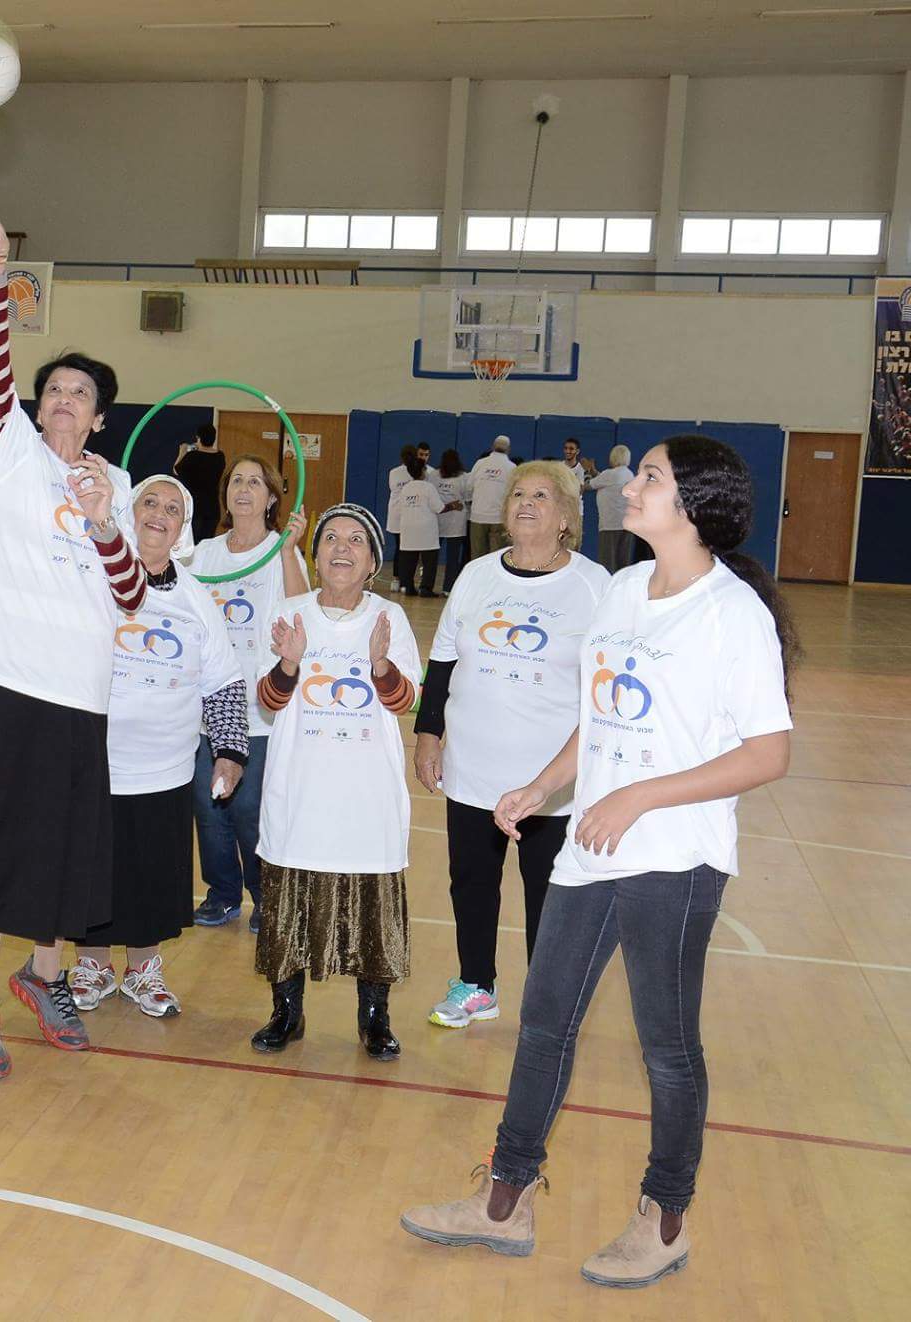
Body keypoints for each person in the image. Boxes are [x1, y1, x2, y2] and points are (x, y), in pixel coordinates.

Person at [401, 436, 796, 1290]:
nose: (630, 486)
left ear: (692, 503)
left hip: (675, 859)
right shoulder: (621, 589)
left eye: (650, 477)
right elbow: (601, 717)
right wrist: (541, 786)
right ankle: (504, 1203)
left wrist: (641, 796)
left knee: (667, 1048)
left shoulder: (733, 614)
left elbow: (769, 753)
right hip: (590, 846)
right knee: (545, 1024)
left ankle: (665, 1217)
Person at [0, 183, 147, 1081]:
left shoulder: (119, 486)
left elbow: (132, 595)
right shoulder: (14, 449)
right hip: (2, 678)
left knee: (65, 851)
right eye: (54, 390)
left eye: (80, 393)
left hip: (79, 693)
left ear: (101, 416)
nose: (64, 400)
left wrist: (106, 524)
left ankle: (46, 975)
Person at [413, 461, 610, 1031]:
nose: (525, 502)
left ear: (567, 517)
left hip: (551, 781)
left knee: (548, 894)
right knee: (471, 883)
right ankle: (476, 985)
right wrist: (427, 734)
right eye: (518, 493)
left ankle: (546, 1003)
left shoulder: (595, 585)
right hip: (472, 768)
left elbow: (605, 684)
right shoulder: (476, 575)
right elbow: (442, 660)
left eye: (542, 495)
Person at [68, 476, 247, 1017]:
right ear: (129, 512)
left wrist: (229, 752)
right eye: (150, 502)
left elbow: (223, 680)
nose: (159, 514)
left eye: (172, 508)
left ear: (181, 529)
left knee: (151, 871)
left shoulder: (195, 598)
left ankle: (144, 971)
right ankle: (92, 964)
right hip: (93, 761)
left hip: (165, 768)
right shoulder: (90, 576)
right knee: (91, 868)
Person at [250, 503, 420, 1062]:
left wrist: (380, 667)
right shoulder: (290, 613)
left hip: (366, 794)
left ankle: (375, 1018)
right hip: (301, 787)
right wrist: (289, 665)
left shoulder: (389, 617)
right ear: (316, 554)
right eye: (330, 539)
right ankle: (287, 1012)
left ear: (372, 562)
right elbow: (268, 702)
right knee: (288, 901)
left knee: (373, 906)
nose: (341, 549)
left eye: (355, 541)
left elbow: (404, 701)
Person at [189, 456, 307, 931]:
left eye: (254, 482)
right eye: (236, 480)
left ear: (271, 497)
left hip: (259, 709)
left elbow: (302, 612)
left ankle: (265, 895)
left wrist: (289, 552)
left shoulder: (282, 553)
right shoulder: (204, 553)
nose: (243, 489)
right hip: (207, 707)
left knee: (249, 808)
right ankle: (221, 893)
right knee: (207, 805)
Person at [393, 451, 444, 597]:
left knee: (408, 559)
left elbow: (400, 508)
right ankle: (425, 588)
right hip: (426, 528)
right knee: (429, 560)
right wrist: (453, 506)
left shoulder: (405, 488)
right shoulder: (428, 487)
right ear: (422, 471)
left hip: (408, 527)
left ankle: (407, 586)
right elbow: (439, 508)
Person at [172, 421, 226, 539]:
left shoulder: (192, 456)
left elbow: (176, 470)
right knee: (207, 541)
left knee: (193, 540)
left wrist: (182, 451)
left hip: (195, 508)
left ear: (199, 438)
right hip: (212, 508)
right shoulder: (220, 456)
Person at [469, 435, 517, 559]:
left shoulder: (480, 463)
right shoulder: (511, 467)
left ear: (492, 447)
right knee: (496, 557)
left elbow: (468, 487)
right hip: (499, 518)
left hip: (478, 516)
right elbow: (515, 494)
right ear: (508, 449)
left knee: (477, 557)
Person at [589, 444, 635, 571]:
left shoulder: (609, 474)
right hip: (626, 525)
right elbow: (603, 480)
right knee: (623, 564)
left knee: (607, 565)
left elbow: (589, 485)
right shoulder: (629, 474)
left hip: (610, 525)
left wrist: (585, 473)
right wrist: (593, 471)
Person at [434, 448, 470, 593]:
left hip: (438, 520)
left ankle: (427, 586)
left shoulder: (434, 475)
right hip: (456, 522)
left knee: (432, 557)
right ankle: (448, 588)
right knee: (452, 558)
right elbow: (467, 498)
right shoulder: (464, 477)